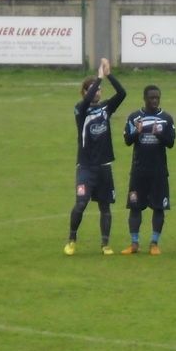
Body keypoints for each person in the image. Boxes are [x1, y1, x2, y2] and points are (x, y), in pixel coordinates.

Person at [64, 58, 127, 256]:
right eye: (93, 89)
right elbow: (85, 102)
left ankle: (105, 244)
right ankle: (71, 240)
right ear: (84, 92)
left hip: (104, 166)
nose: (98, 92)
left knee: (105, 206)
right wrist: (98, 78)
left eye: (99, 89)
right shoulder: (80, 110)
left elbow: (122, 94)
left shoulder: (106, 108)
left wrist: (108, 75)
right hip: (86, 166)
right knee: (81, 203)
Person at [121, 85, 175, 255]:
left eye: (157, 97)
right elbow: (127, 141)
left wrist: (159, 134)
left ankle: (154, 243)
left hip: (159, 171)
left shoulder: (166, 118)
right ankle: (134, 243)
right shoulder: (134, 117)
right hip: (139, 171)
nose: (155, 101)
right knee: (135, 207)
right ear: (144, 98)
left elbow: (171, 143)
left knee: (159, 207)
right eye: (151, 98)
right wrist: (137, 132)